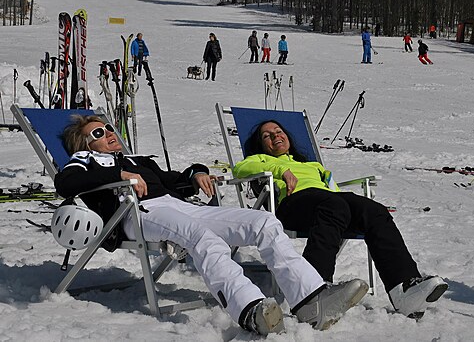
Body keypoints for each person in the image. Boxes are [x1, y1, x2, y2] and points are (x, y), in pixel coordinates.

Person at [54, 115, 369, 335]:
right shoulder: (84, 161)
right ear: (83, 144)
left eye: (108, 128)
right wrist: (118, 176)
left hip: (175, 207)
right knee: (202, 237)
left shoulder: (138, 161)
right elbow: (66, 182)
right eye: (98, 133)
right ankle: (249, 309)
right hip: (137, 213)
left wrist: (197, 174)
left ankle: (310, 300)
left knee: (262, 222)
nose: (108, 134)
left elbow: (173, 180)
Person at [233, 120, 449, 319]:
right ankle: (312, 291)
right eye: (267, 136)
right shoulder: (259, 160)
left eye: (278, 131)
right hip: (292, 205)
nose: (275, 136)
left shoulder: (313, 166)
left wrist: (353, 210)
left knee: (374, 210)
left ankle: (404, 289)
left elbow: (333, 190)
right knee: (334, 204)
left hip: (328, 204)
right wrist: (282, 170)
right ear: (261, 146)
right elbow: (240, 169)